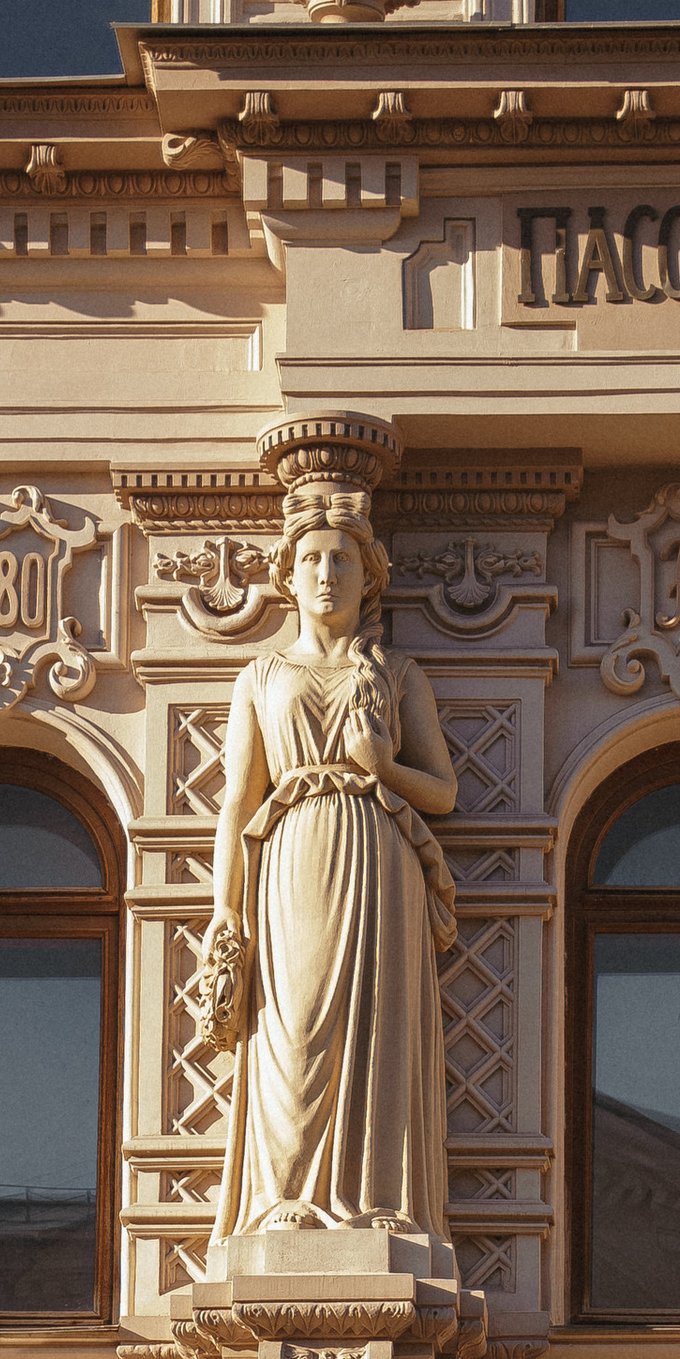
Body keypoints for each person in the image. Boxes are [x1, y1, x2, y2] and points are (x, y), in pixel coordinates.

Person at [204, 478, 460, 1254]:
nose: (326, 574)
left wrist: (382, 765)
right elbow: (234, 804)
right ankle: (286, 1196)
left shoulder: (397, 674)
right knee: (292, 1027)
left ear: (368, 574)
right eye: (312, 559)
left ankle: (378, 1200)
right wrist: (227, 911)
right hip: (288, 862)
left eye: (342, 560)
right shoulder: (261, 677)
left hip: (378, 853)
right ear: (288, 575)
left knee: (379, 1030)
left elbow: (442, 792)